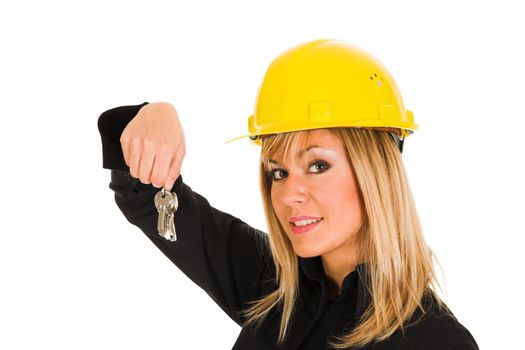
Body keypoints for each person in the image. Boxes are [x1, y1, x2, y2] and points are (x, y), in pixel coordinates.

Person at [97, 39, 479, 349]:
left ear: (376, 171)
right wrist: (153, 115)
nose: (289, 194)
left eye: (317, 166)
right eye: (278, 172)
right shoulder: (272, 283)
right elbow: (147, 199)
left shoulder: (437, 341)